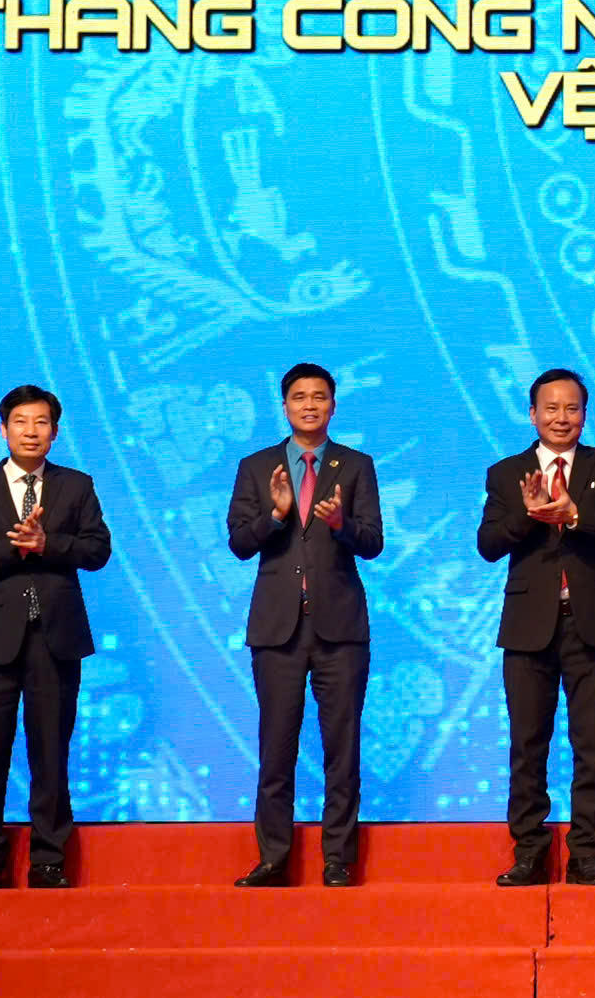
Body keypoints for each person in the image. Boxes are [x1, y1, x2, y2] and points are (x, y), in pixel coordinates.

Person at [0, 384, 112, 889]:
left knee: (51, 751)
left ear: (55, 432)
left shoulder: (76, 485)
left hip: (56, 637)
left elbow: (98, 550)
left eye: (41, 423)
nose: (31, 432)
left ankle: (48, 859)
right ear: (4, 430)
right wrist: (12, 548)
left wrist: (47, 544)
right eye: (21, 422)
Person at [479, 367, 595, 886]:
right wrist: (527, 516)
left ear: (584, 415)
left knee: (591, 744)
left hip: (591, 623)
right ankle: (529, 852)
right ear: (532, 414)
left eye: (572, 408)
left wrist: (574, 515)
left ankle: (585, 853)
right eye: (551, 408)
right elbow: (488, 545)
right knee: (527, 744)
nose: (561, 417)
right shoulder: (506, 473)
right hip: (528, 627)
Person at [226, 361, 383, 887]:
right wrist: (274, 516)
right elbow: (239, 543)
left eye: (319, 396)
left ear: (333, 405)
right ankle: (274, 858)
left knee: (343, 749)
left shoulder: (355, 466)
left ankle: (338, 858)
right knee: (276, 748)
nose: (309, 405)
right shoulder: (256, 467)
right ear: (285, 405)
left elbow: (373, 542)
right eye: (299, 397)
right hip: (277, 628)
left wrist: (340, 524)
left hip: (341, 628)